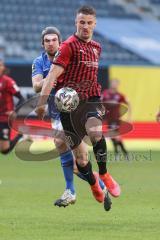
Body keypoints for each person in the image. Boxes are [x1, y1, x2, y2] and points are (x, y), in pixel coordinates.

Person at [36, 5, 121, 209]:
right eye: (81, 22)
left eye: (89, 22)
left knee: (95, 132)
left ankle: (104, 173)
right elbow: (52, 77)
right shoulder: (68, 46)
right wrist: (41, 104)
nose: (85, 26)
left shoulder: (97, 47)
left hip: (90, 101)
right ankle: (94, 185)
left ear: (95, 24)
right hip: (68, 107)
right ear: (76, 22)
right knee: (81, 160)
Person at [101, 79, 131, 160]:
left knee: (116, 136)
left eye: (116, 83)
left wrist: (129, 117)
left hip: (115, 118)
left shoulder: (119, 95)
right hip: (108, 118)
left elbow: (128, 103)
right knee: (113, 136)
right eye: (113, 83)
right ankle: (123, 154)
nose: (114, 85)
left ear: (118, 85)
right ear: (110, 84)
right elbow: (100, 103)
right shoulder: (105, 94)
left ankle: (122, 154)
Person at [0, 59, 24, 154]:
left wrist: (15, 111)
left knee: (4, 150)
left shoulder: (8, 81)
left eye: (0, 65)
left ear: (3, 68)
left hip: (4, 119)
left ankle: (20, 135)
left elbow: (21, 98)